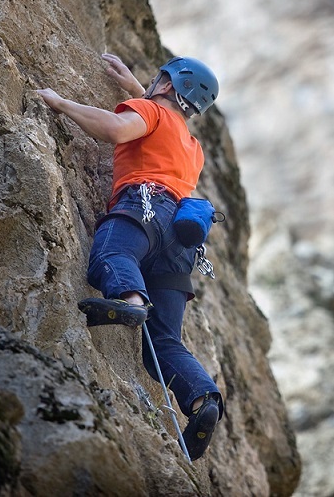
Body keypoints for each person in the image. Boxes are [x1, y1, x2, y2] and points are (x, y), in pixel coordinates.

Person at [36, 53, 223, 461]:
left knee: (111, 253)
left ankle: (130, 302)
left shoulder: (150, 111)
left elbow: (119, 130)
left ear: (170, 85)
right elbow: (162, 126)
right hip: (180, 241)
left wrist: (60, 102)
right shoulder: (193, 147)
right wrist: (139, 89)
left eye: (161, 78)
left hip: (144, 207)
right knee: (165, 343)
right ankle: (204, 398)